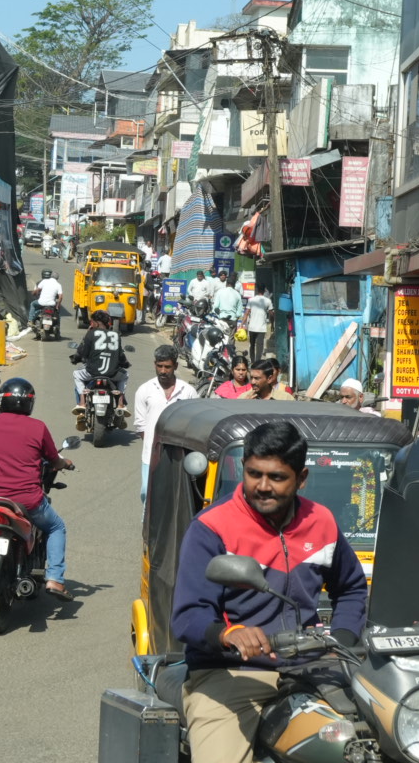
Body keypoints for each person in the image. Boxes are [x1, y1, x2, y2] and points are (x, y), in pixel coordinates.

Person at [171, 421, 368, 763]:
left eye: (276, 477)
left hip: (312, 666)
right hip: (231, 673)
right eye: (254, 474)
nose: (262, 486)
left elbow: (351, 587)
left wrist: (342, 640)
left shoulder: (321, 521)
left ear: (301, 478)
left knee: (380, 736)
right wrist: (229, 634)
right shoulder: (212, 527)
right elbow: (188, 615)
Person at [0, 378, 75, 599]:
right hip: (28, 500)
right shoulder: (38, 427)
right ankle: (55, 579)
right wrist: (64, 463)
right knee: (56, 527)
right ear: (30, 403)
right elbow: (53, 459)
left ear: (3, 401)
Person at [132, 345, 198, 502]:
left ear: (175, 366)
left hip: (179, 455)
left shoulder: (188, 391)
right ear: (154, 364)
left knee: (174, 497)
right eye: (159, 366)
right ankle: (147, 519)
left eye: (167, 367)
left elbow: (194, 424)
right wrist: (154, 447)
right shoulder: (144, 390)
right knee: (147, 493)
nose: (163, 371)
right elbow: (141, 425)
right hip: (151, 455)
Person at [70, 309, 130, 428]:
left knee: (76, 374)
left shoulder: (91, 334)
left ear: (97, 323)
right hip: (112, 374)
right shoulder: (116, 335)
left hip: (92, 373)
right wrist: (126, 364)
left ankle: (82, 403)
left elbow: (83, 352)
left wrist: (76, 358)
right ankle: (120, 404)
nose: (91, 324)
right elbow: (120, 356)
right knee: (125, 375)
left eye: (92, 322)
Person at [28, 268, 64, 335]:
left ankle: (30, 321)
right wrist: (58, 305)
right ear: (57, 278)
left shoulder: (44, 281)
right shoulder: (58, 285)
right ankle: (58, 329)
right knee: (57, 314)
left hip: (41, 303)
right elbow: (60, 297)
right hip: (51, 304)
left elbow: (37, 290)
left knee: (32, 304)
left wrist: (33, 293)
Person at [245, 285, 273, 359]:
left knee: (252, 345)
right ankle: (258, 361)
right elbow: (271, 314)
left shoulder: (251, 300)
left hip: (252, 327)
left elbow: (247, 312)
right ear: (264, 291)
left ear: (257, 290)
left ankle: (252, 360)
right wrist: (272, 324)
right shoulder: (268, 301)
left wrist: (242, 324)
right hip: (261, 328)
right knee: (260, 345)